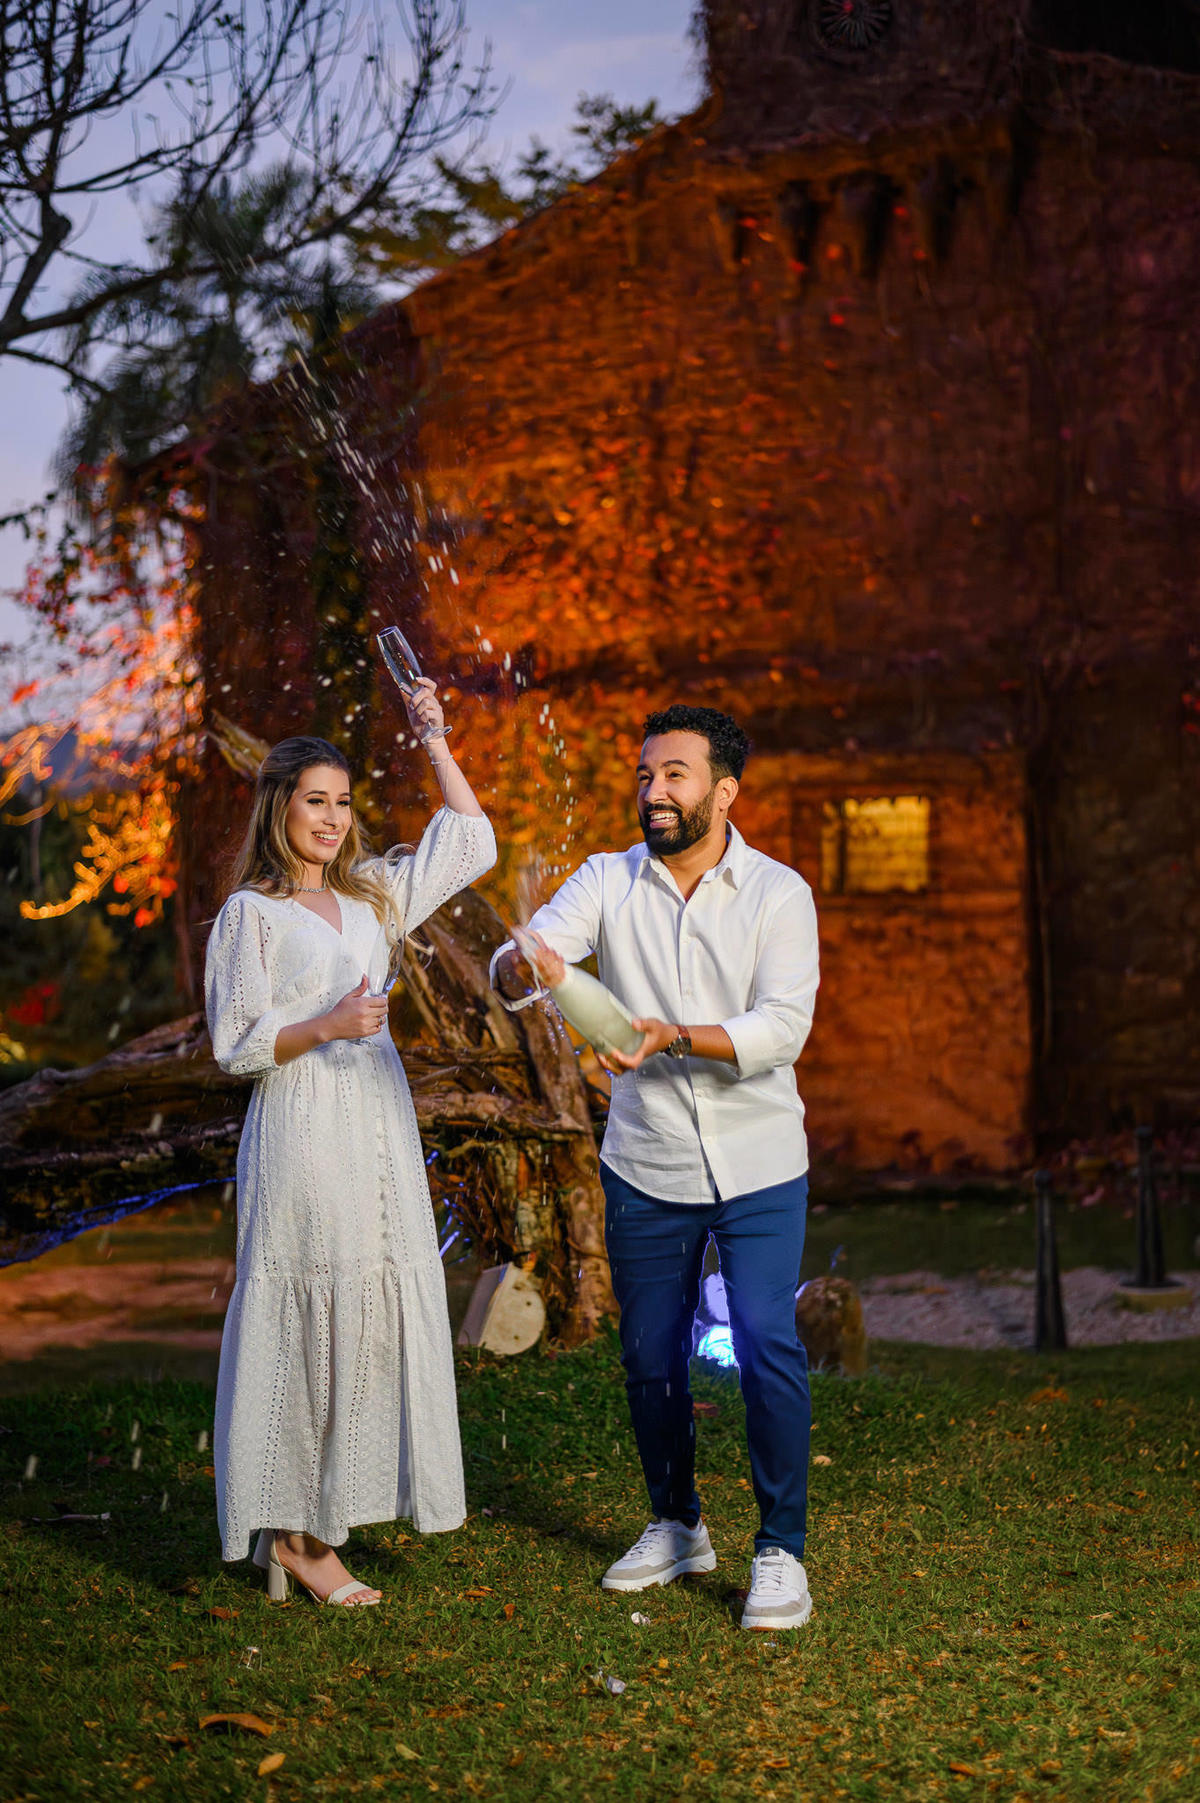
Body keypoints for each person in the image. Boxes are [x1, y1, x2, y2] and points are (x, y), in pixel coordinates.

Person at [492, 704, 819, 1630]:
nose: (654, 791)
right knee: (648, 1355)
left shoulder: (779, 893)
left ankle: (780, 1550)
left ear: (725, 790)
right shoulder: (606, 878)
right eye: (645, 775)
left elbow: (782, 1028)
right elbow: (523, 958)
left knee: (766, 1341)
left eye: (675, 774)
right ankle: (678, 1524)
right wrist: (525, 964)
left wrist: (673, 1034)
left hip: (759, 1160)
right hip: (646, 1160)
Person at [205, 677, 495, 1606]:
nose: (331, 819)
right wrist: (326, 1024)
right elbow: (236, 1044)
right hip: (300, 1127)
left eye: (341, 802)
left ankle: (319, 1515)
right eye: (314, 801)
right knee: (309, 1308)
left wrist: (434, 736)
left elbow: (472, 841)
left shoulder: (375, 896)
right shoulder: (250, 915)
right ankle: (294, 1535)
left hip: (376, 1126)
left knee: (369, 1307)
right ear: (279, 808)